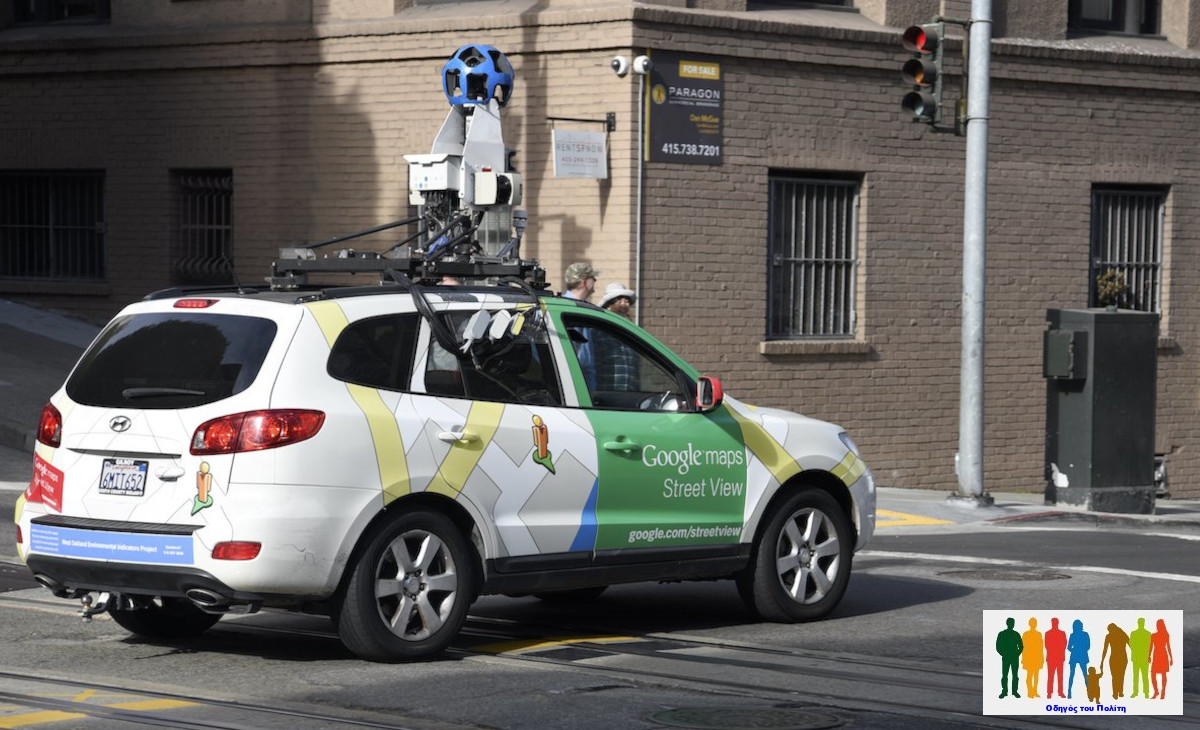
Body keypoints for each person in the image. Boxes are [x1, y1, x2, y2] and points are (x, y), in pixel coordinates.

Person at [1100, 622, 1129, 700]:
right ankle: (1120, 692)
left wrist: (1102, 661)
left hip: (1114, 658)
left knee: (1114, 676)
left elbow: (1105, 649)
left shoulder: (1109, 636)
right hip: (1123, 658)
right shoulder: (1123, 634)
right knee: (1121, 676)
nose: (1109, 632)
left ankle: (1115, 693)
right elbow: (1132, 646)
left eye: (1109, 630)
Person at [996, 617, 1023, 699]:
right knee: (1006, 675)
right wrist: (1004, 654)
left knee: (1013, 675)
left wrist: (1016, 654)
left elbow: (1021, 646)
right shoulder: (1004, 634)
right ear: (1008, 624)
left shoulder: (1012, 634)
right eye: (1011, 623)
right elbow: (998, 646)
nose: (1012, 624)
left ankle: (1013, 691)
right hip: (1008, 656)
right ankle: (1005, 691)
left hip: (1012, 656)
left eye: (1012, 623)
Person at [1067, 619, 1091, 700]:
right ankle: (1069, 692)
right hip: (1078, 655)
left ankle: (1089, 692)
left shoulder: (1082, 634)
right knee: (1075, 674)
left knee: (1084, 674)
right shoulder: (1074, 635)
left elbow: (1088, 646)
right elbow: (1069, 647)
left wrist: (1076, 650)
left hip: (1079, 655)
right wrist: (1075, 650)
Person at [1149, 618, 1173, 699]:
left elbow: (1168, 647)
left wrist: (1171, 658)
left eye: (1158, 625)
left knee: (1163, 674)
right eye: (1156, 625)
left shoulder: (1165, 635)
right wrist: (1148, 656)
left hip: (1162, 655)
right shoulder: (1153, 635)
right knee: (1153, 674)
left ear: (1161, 626)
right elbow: (1150, 647)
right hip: (1157, 655)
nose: (1157, 626)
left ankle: (1163, 692)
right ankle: (1156, 691)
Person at [1021, 617, 1045, 699]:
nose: (1033, 624)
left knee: (1036, 676)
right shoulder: (1026, 634)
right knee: (1030, 675)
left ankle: (1034, 691)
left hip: (1036, 657)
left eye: (1034, 623)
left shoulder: (1039, 634)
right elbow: (1023, 647)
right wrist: (1023, 658)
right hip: (1029, 657)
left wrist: (1042, 658)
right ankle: (1029, 692)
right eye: (1032, 623)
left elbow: (1041, 647)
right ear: (1030, 624)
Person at [1129, 617, 1152, 698]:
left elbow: (1150, 646)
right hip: (1138, 657)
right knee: (1137, 676)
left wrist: (1148, 655)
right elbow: (1131, 644)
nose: (1140, 624)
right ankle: (1136, 692)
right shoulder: (1135, 633)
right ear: (1138, 623)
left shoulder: (1148, 633)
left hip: (1143, 657)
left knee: (1143, 676)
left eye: (1141, 622)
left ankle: (1145, 692)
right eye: (1140, 622)